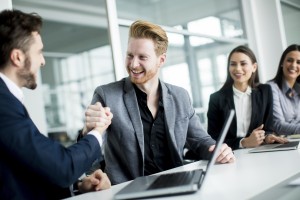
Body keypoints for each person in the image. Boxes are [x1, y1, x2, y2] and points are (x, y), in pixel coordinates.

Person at [81, 20, 235, 185]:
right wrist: (88, 131)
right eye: (130, 55)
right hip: (129, 190)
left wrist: (217, 150)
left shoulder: (180, 96)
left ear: (161, 60)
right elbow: (90, 152)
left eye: (142, 57)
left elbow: (200, 141)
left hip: (178, 184)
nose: (133, 64)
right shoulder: (107, 95)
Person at [0, 9, 113, 199]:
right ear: (17, 57)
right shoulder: (3, 104)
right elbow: (62, 166)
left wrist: (78, 186)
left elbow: (26, 172)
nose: (43, 61)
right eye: (39, 52)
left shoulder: (7, 100)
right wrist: (97, 132)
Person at [207, 45, 287, 150]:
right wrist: (243, 142)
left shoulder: (265, 91)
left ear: (254, 67)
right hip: (230, 155)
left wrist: (267, 137)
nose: (237, 69)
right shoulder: (216, 98)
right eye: (233, 64)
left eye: (243, 63)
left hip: (259, 151)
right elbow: (213, 138)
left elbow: (268, 127)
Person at [267, 44, 300, 135]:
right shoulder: (271, 88)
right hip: (281, 143)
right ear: (282, 63)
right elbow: (278, 125)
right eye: (289, 60)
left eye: (298, 62)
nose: (293, 65)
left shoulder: (298, 89)